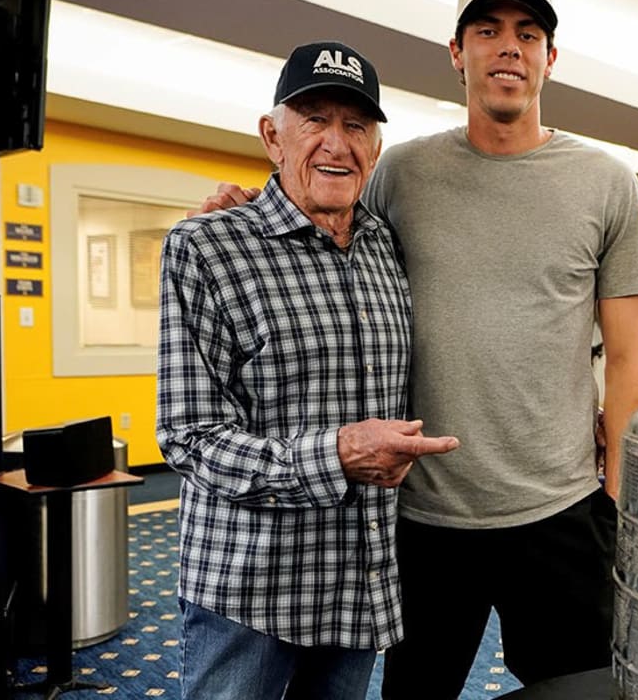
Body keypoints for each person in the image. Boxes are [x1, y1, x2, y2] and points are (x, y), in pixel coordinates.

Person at [195, 0, 638, 698]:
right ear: (457, 52)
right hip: (421, 515)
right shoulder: (398, 173)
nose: (509, 47)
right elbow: (319, 223)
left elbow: (632, 356)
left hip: (561, 509)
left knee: (583, 689)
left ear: (550, 57)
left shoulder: (608, 182)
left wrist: (620, 495)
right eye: (487, 29)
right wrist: (246, 214)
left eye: (528, 33)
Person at [157, 41, 461, 699]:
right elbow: (189, 437)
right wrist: (338, 456)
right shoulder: (207, 247)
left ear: (376, 149)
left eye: (355, 125)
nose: (336, 142)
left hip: (358, 581)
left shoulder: (389, 248)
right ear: (272, 136)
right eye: (314, 119)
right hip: (250, 589)